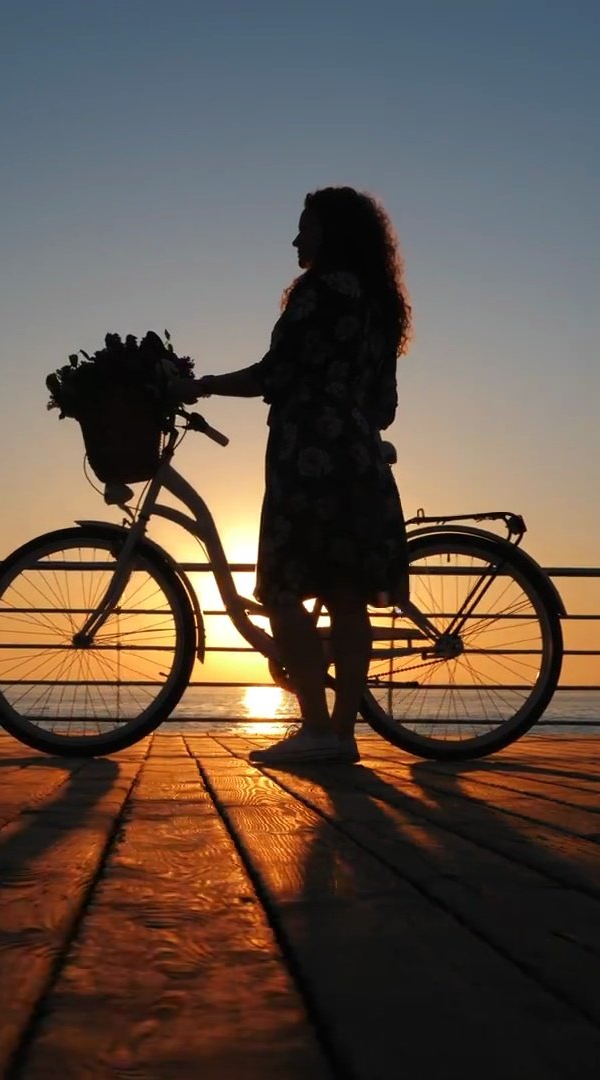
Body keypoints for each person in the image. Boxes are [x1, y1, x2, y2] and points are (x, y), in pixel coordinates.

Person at [185, 186, 411, 764]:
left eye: (305, 228)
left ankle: (312, 727)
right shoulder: (379, 304)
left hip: (307, 459)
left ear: (330, 234)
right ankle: (341, 735)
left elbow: (274, 373)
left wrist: (206, 384)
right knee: (347, 597)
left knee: (283, 590)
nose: (295, 239)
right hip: (358, 458)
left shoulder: (316, 293)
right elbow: (384, 405)